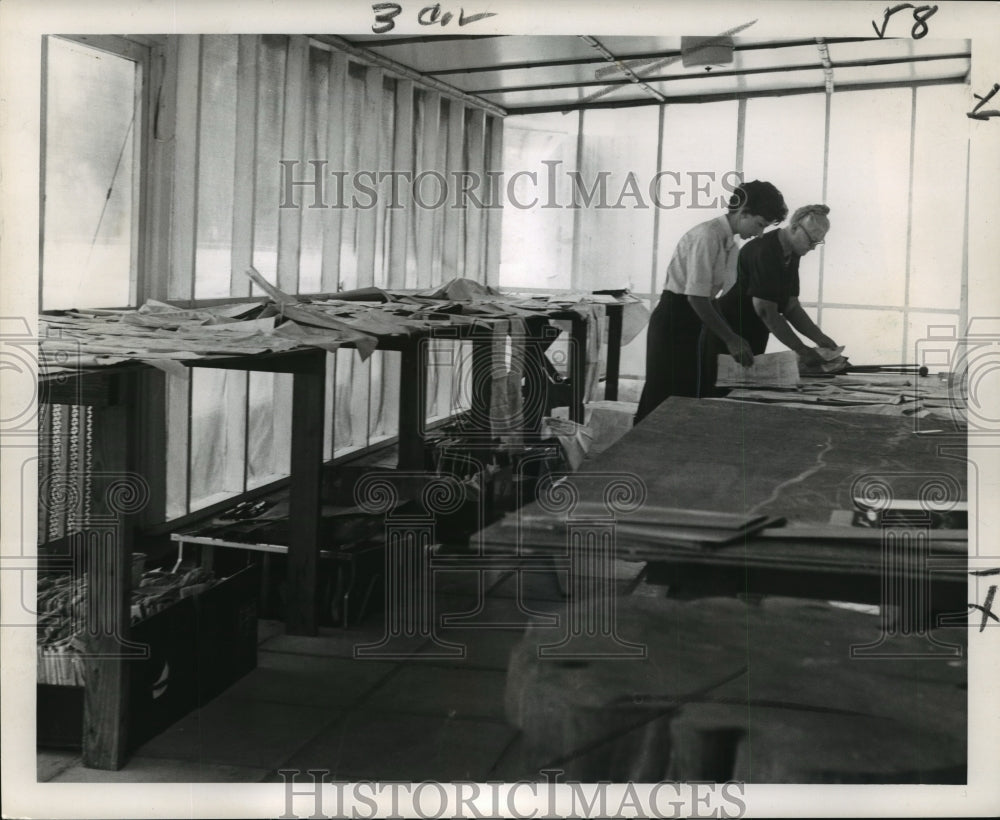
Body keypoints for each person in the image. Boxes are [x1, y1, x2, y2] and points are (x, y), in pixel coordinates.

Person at [635, 180, 787, 423]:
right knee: (662, 396)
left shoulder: (730, 243)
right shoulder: (707, 236)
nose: (759, 234)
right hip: (674, 318)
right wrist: (731, 338)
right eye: (759, 225)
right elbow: (696, 297)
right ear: (743, 212)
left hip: (695, 321)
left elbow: (716, 296)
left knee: (686, 395)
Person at [700, 203, 840, 396]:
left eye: (817, 243)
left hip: (755, 331)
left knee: (747, 396)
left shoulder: (793, 252)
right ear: (794, 228)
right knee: (721, 398)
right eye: (811, 241)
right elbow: (766, 311)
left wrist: (819, 338)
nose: (813, 248)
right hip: (730, 332)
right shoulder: (764, 250)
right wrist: (802, 350)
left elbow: (790, 306)